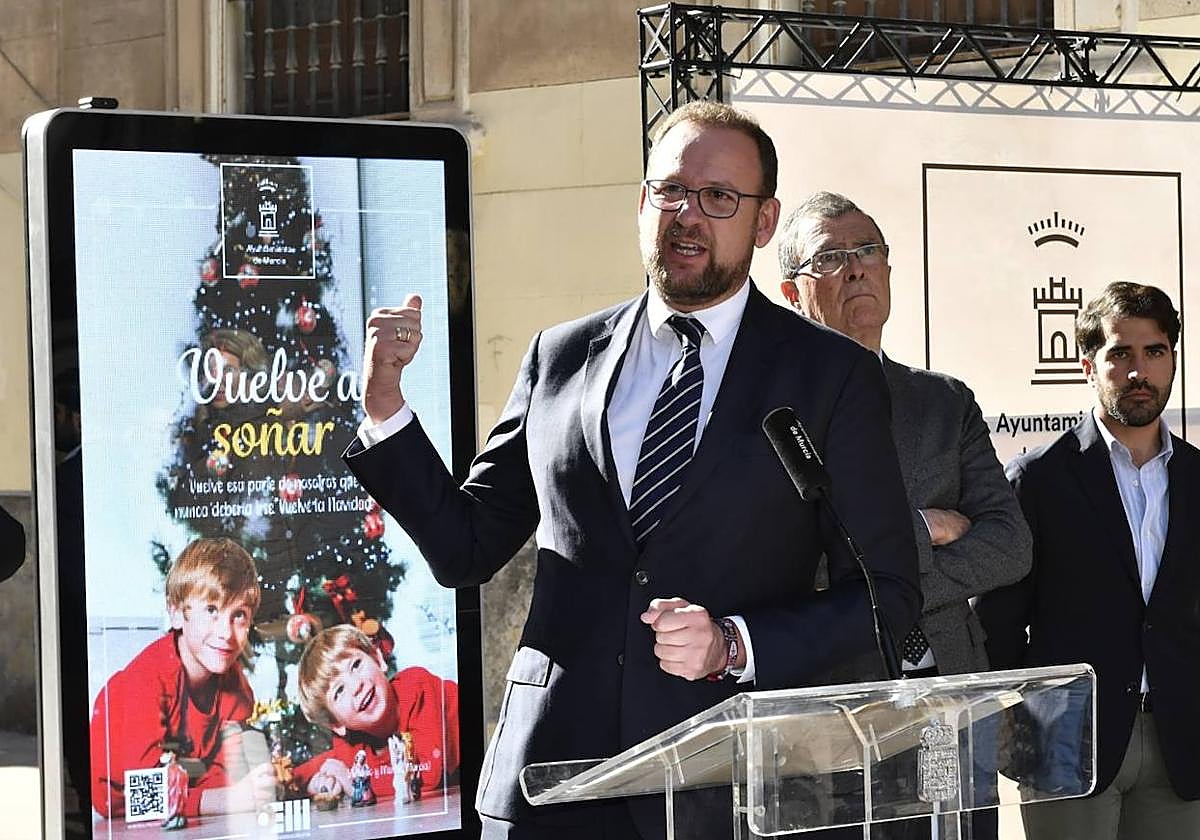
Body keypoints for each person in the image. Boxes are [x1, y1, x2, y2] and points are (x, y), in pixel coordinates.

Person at [344, 100, 921, 839]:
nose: (688, 215)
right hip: (550, 781)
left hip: (721, 787)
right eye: (671, 190)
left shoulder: (828, 375)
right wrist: (386, 408)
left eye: (719, 197)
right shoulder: (559, 355)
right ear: (643, 202)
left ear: (765, 221)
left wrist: (733, 643)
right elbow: (467, 547)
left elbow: (886, 594)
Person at [778, 191, 1031, 839]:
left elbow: (1008, 545)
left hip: (946, 705)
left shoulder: (944, 403)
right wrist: (925, 529)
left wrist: (877, 573)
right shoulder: (774, 418)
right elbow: (788, 564)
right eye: (830, 257)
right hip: (834, 720)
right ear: (792, 292)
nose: (856, 268)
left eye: (868, 250)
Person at [977, 282, 1200, 840]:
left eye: (1154, 351)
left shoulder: (1199, 478)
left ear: (1173, 361)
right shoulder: (1038, 478)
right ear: (1087, 366)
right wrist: (1021, 718)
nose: (1138, 371)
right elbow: (998, 622)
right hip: (1066, 745)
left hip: (1182, 744)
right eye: (1120, 353)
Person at [89, 537, 275, 819]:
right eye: (211, 610)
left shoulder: (235, 688)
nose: (226, 632)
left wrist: (236, 792)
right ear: (176, 613)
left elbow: (224, 773)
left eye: (239, 615)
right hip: (123, 803)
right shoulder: (146, 680)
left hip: (186, 802)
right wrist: (223, 800)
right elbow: (141, 792)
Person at [293, 624, 460, 801]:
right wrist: (308, 783)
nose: (356, 686)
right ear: (336, 723)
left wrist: (355, 784)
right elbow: (322, 765)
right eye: (339, 691)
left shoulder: (418, 688)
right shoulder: (350, 744)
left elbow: (426, 776)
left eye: (356, 665)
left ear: (378, 659)